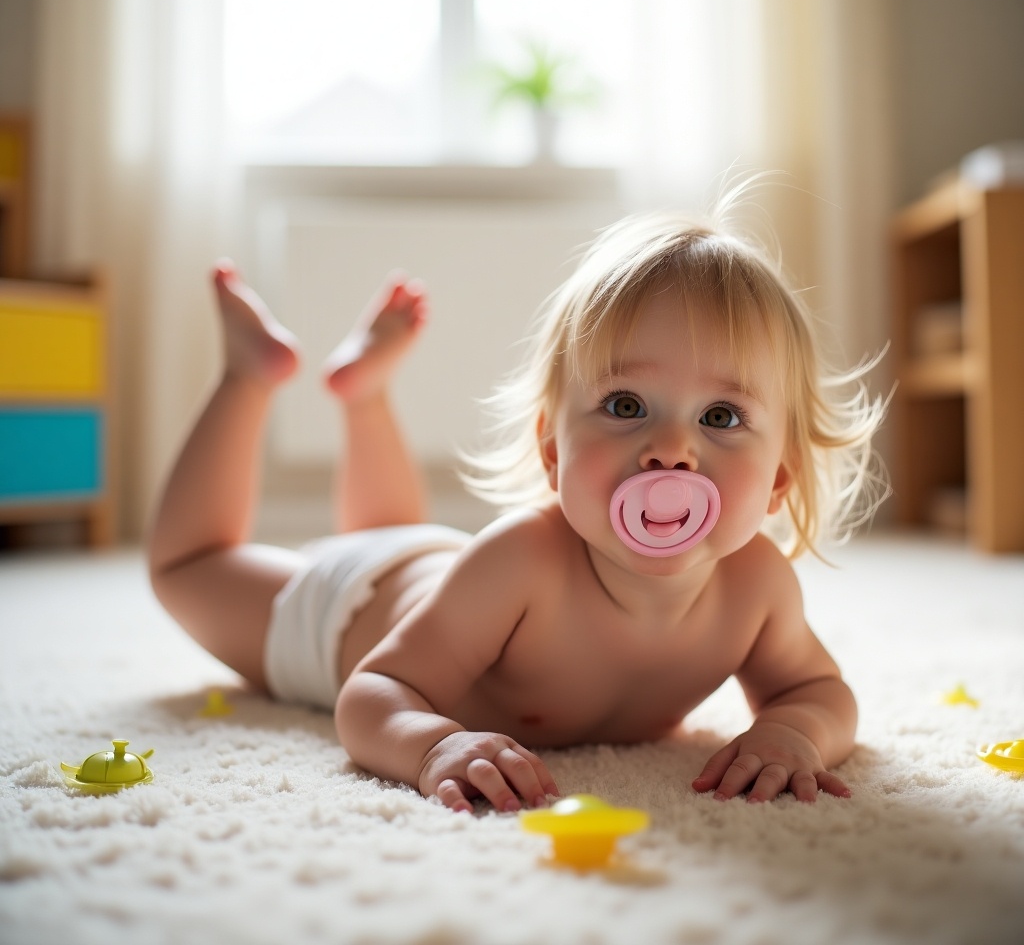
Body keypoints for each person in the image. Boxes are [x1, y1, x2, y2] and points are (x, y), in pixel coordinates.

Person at [147, 197, 888, 814]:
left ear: (780, 482)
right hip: (339, 615)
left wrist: (793, 732)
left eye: (721, 418)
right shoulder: (520, 561)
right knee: (187, 566)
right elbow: (373, 691)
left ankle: (364, 397)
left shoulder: (757, 588)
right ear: (554, 450)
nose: (671, 450)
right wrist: (434, 743)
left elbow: (818, 691)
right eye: (626, 404)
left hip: (430, 566)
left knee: (390, 533)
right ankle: (248, 376)